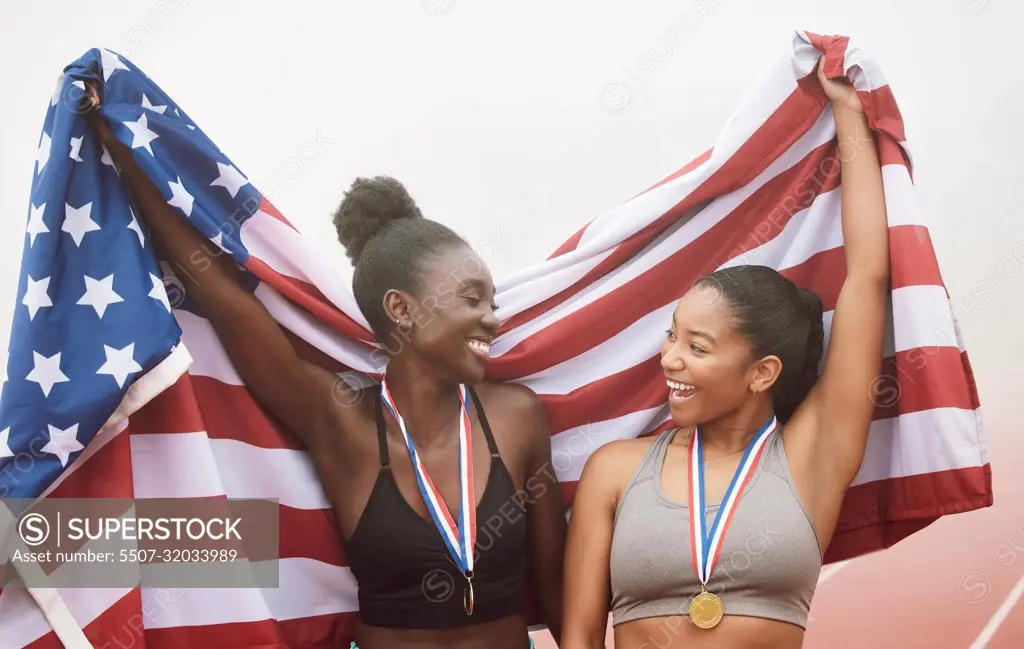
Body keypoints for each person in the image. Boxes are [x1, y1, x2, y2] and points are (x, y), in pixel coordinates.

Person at [81, 84, 566, 649]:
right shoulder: (342, 423)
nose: (492, 320)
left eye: (493, 305)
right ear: (401, 310)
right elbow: (226, 301)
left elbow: (557, 591)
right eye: (472, 300)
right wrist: (122, 147)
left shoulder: (516, 418)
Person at [560, 62, 890, 649]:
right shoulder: (614, 469)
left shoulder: (813, 453)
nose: (669, 359)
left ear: (762, 372)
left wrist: (848, 112)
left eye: (697, 346)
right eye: (671, 336)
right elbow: (580, 639)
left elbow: (866, 277)